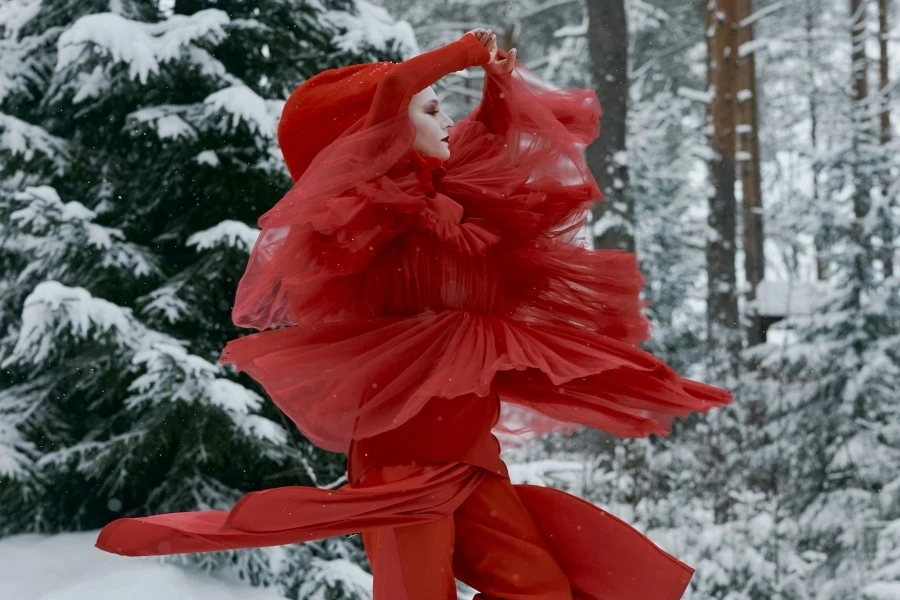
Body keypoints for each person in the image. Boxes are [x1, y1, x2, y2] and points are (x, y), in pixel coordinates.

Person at [96, 29, 732, 600]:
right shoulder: (364, 212)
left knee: (540, 588)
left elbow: (499, 136)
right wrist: (464, 52)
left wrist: (498, 79)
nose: (448, 120)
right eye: (432, 110)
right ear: (384, 133)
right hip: (400, 456)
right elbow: (396, 89)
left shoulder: (460, 199)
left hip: (467, 451)